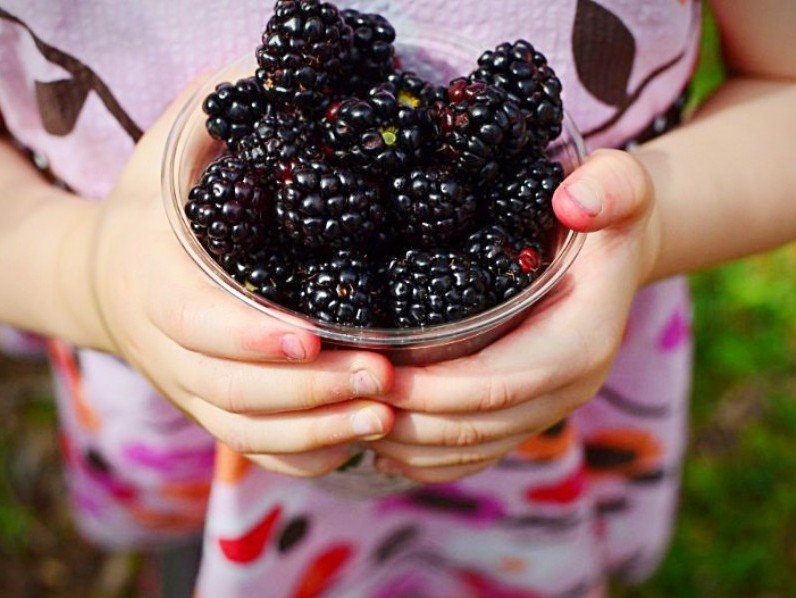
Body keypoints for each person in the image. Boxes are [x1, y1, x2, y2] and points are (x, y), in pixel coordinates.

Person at [0, 0, 794, 595]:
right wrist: (90, 273)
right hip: (175, 374)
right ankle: (193, 548)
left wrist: (649, 227)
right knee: (198, 526)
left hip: (545, 368)